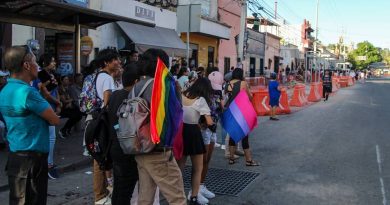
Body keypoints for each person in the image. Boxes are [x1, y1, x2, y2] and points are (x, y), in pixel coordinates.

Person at [0, 45, 60, 205]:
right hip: (32, 159)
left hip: (15, 154)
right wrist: (45, 97)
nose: (38, 67)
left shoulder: (5, 90)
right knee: (34, 200)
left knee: (18, 199)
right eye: (35, 62)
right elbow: (55, 119)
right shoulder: (28, 92)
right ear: (26, 65)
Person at [133, 48, 186, 205]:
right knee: (177, 198)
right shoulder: (164, 85)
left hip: (140, 149)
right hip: (158, 150)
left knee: (145, 199)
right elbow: (176, 114)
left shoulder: (137, 86)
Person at [178, 77, 215, 205]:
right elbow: (209, 122)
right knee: (197, 168)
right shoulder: (201, 100)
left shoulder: (181, 94)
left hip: (181, 132)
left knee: (179, 167)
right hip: (194, 133)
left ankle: (177, 195)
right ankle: (194, 196)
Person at [93, 48, 122, 205]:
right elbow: (107, 104)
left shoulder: (101, 76)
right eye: (114, 60)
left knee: (101, 157)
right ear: (106, 62)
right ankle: (100, 196)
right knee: (101, 158)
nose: (118, 62)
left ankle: (102, 194)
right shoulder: (107, 79)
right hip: (107, 123)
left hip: (101, 123)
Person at [107, 63, 140, 205]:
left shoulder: (115, 95)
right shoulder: (132, 100)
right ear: (136, 82)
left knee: (119, 189)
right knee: (125, 192)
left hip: (114, 146)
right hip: (127, 149)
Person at [35, 54, 61, 179]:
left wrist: (58, 102)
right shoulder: (41, 75)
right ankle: (48, 164)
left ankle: (48, 163)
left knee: (51, 136)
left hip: (52, 106)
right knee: (51, 137)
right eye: (52, 61)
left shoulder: (51, 74)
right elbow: (45, 93)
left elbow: (56, 90)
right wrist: (57, 102)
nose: (54, 63)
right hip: (47, 106)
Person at [225, 68, 259, 166]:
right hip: (242, 112)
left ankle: (231, 158)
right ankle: (248, 160)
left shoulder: (227, 84)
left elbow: (227, 97)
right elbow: (250, 97)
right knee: (244, 136)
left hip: (231, 112)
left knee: (232, 135)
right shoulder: (243, 83)